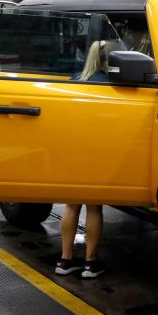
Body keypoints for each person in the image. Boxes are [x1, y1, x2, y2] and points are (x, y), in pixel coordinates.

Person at [54, 40, 114, 279]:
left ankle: (65, 260)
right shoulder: (111, 85)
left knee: (71, 205)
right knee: (94, 206)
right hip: (97, 152)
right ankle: (90, 263)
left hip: (73, 151)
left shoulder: (74, 81)